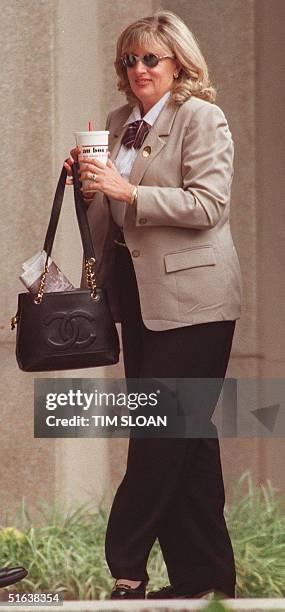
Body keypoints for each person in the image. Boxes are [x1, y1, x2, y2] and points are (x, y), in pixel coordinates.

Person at [65, 10, 242, 600]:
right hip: (136, 297)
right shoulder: (118, 124)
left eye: (150, 59)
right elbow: (107, 219)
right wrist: (86, 187)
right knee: (188, 435)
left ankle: (126, 561)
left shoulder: (202, 118)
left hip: (196, 298)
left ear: (178, 64)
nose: (138, 69)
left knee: (162, 430)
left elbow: (208, 205)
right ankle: (205, 579)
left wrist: (129, 190)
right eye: (129, 60)